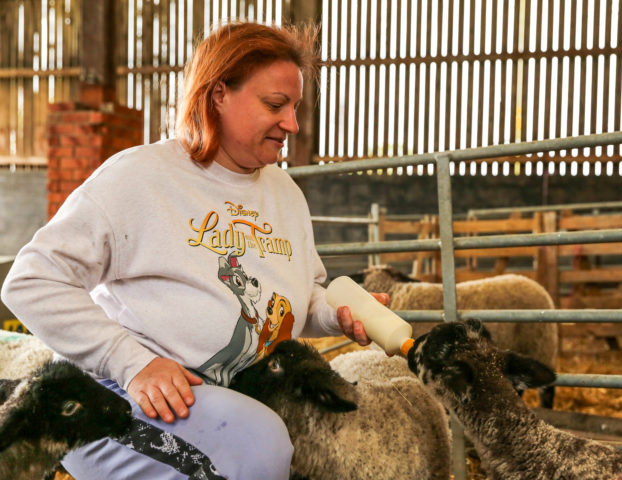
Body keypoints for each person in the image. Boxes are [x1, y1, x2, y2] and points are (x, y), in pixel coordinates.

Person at [0, 22, 386, 480]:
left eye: (296, 107)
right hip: (114, 398)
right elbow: (30, 280)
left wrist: (334, 313)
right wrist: (134, 363)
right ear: (218, 93)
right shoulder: (140, 178)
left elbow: (299, 298)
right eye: (275, 105)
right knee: (257, 443)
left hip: (218, 394)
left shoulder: (284, 193)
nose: (293, 124)